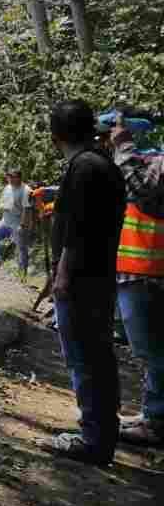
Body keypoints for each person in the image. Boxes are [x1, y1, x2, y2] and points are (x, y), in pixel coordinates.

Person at [43, 100, 127, 466]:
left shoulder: (83, 167)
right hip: (100, 276)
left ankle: (94, 441)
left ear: (55, 136)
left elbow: (78, 230)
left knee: (85, 359)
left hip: (81, 280)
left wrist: (61, 276)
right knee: (97, 356)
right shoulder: (102, 164)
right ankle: (101, 434)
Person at [107, 116, 164, 445]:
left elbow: (142, 189)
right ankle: (152, 413)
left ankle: (157, 423)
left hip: (150, 272)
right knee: (150, 351)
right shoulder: (151, 160)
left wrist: (124, 145)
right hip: (139, 271)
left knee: (154, 350)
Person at [0, 169, 30, 273]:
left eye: (12, 177)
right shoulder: (7, 187)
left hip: (18, 222)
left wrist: (22, 225)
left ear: (18, 178)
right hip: (5, 221)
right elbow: (3, 202)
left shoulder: (26, 190)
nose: (9, 179)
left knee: (21, 248)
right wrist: (3, 207)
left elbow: (26, 209)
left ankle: (23, 273)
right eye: (8, 177)